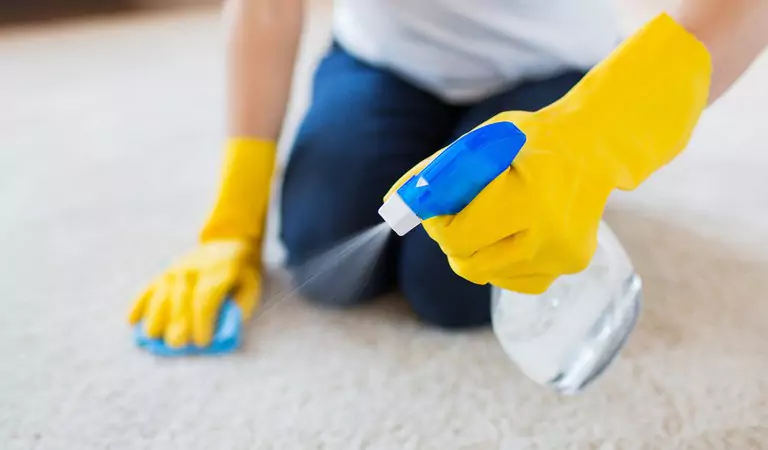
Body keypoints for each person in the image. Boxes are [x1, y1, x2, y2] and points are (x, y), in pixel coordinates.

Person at [129, 0, 768, 349]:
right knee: (322, 254)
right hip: (384, 61)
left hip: (549, 78)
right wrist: (231, 223)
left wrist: (593, 140)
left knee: (456, 284)